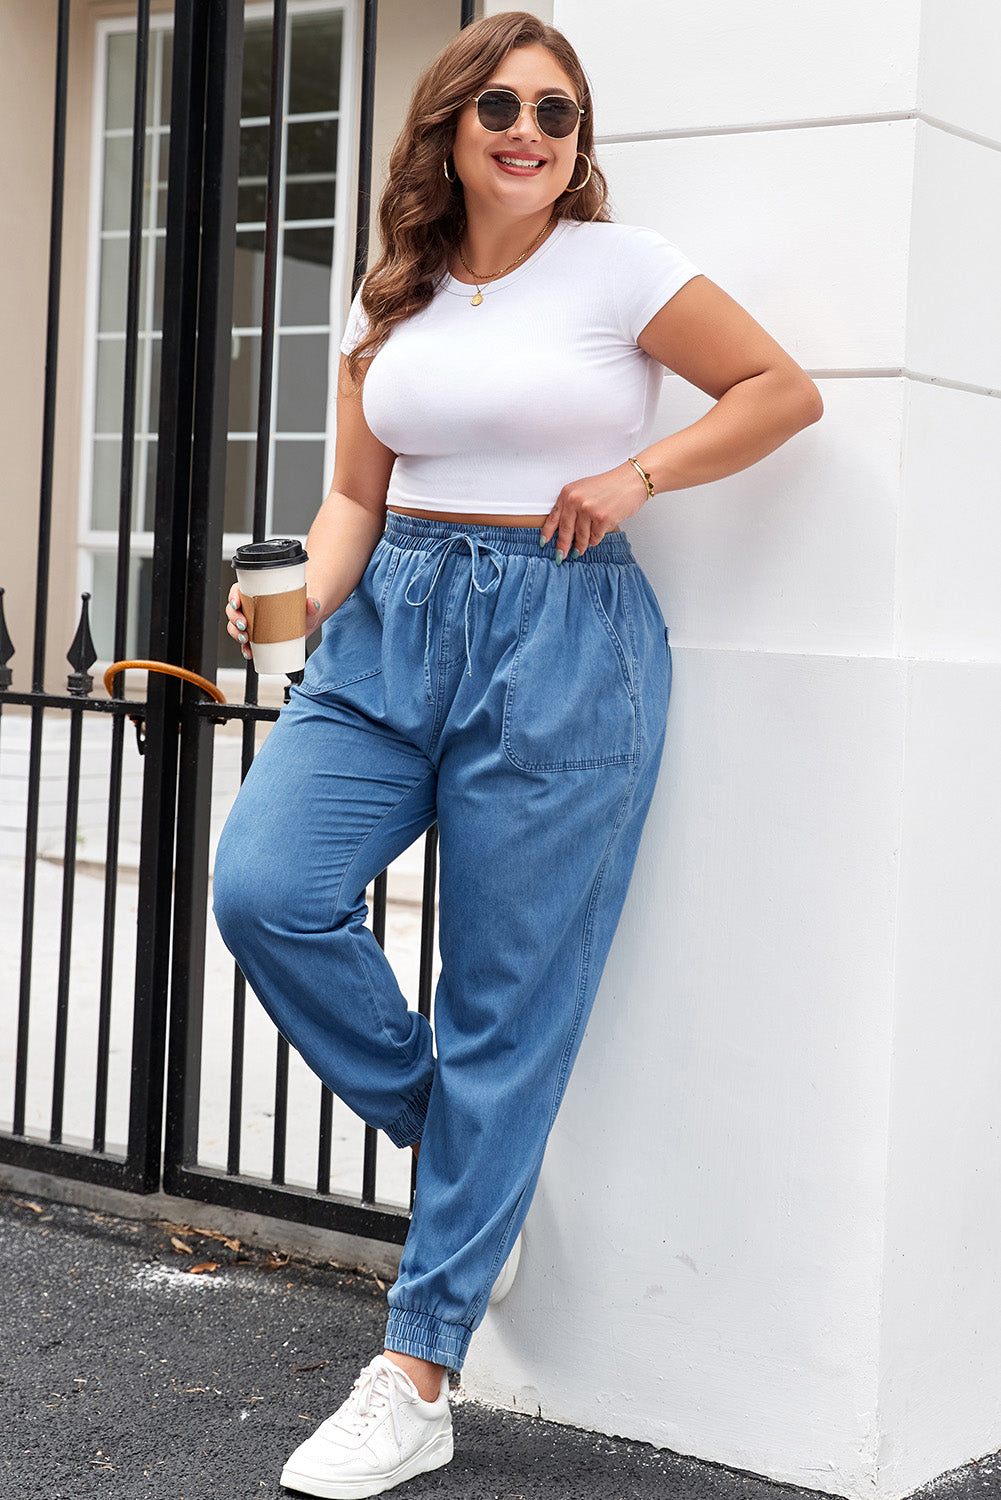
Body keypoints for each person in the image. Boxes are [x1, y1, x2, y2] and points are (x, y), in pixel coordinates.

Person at [213, 10, 823, 1497]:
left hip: (564, 634)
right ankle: (465, 1160)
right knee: (265, 887)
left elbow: (777, 391)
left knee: (502, 997)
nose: (530, 127)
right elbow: (357, 492)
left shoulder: (623, 269)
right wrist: (298, 587)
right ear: (450, 124)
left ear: (576, 137)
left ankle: (416, 1372)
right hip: (389, 627)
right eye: (500, 102)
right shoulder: (395, 294)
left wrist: (636, 473)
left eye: (557, 107)